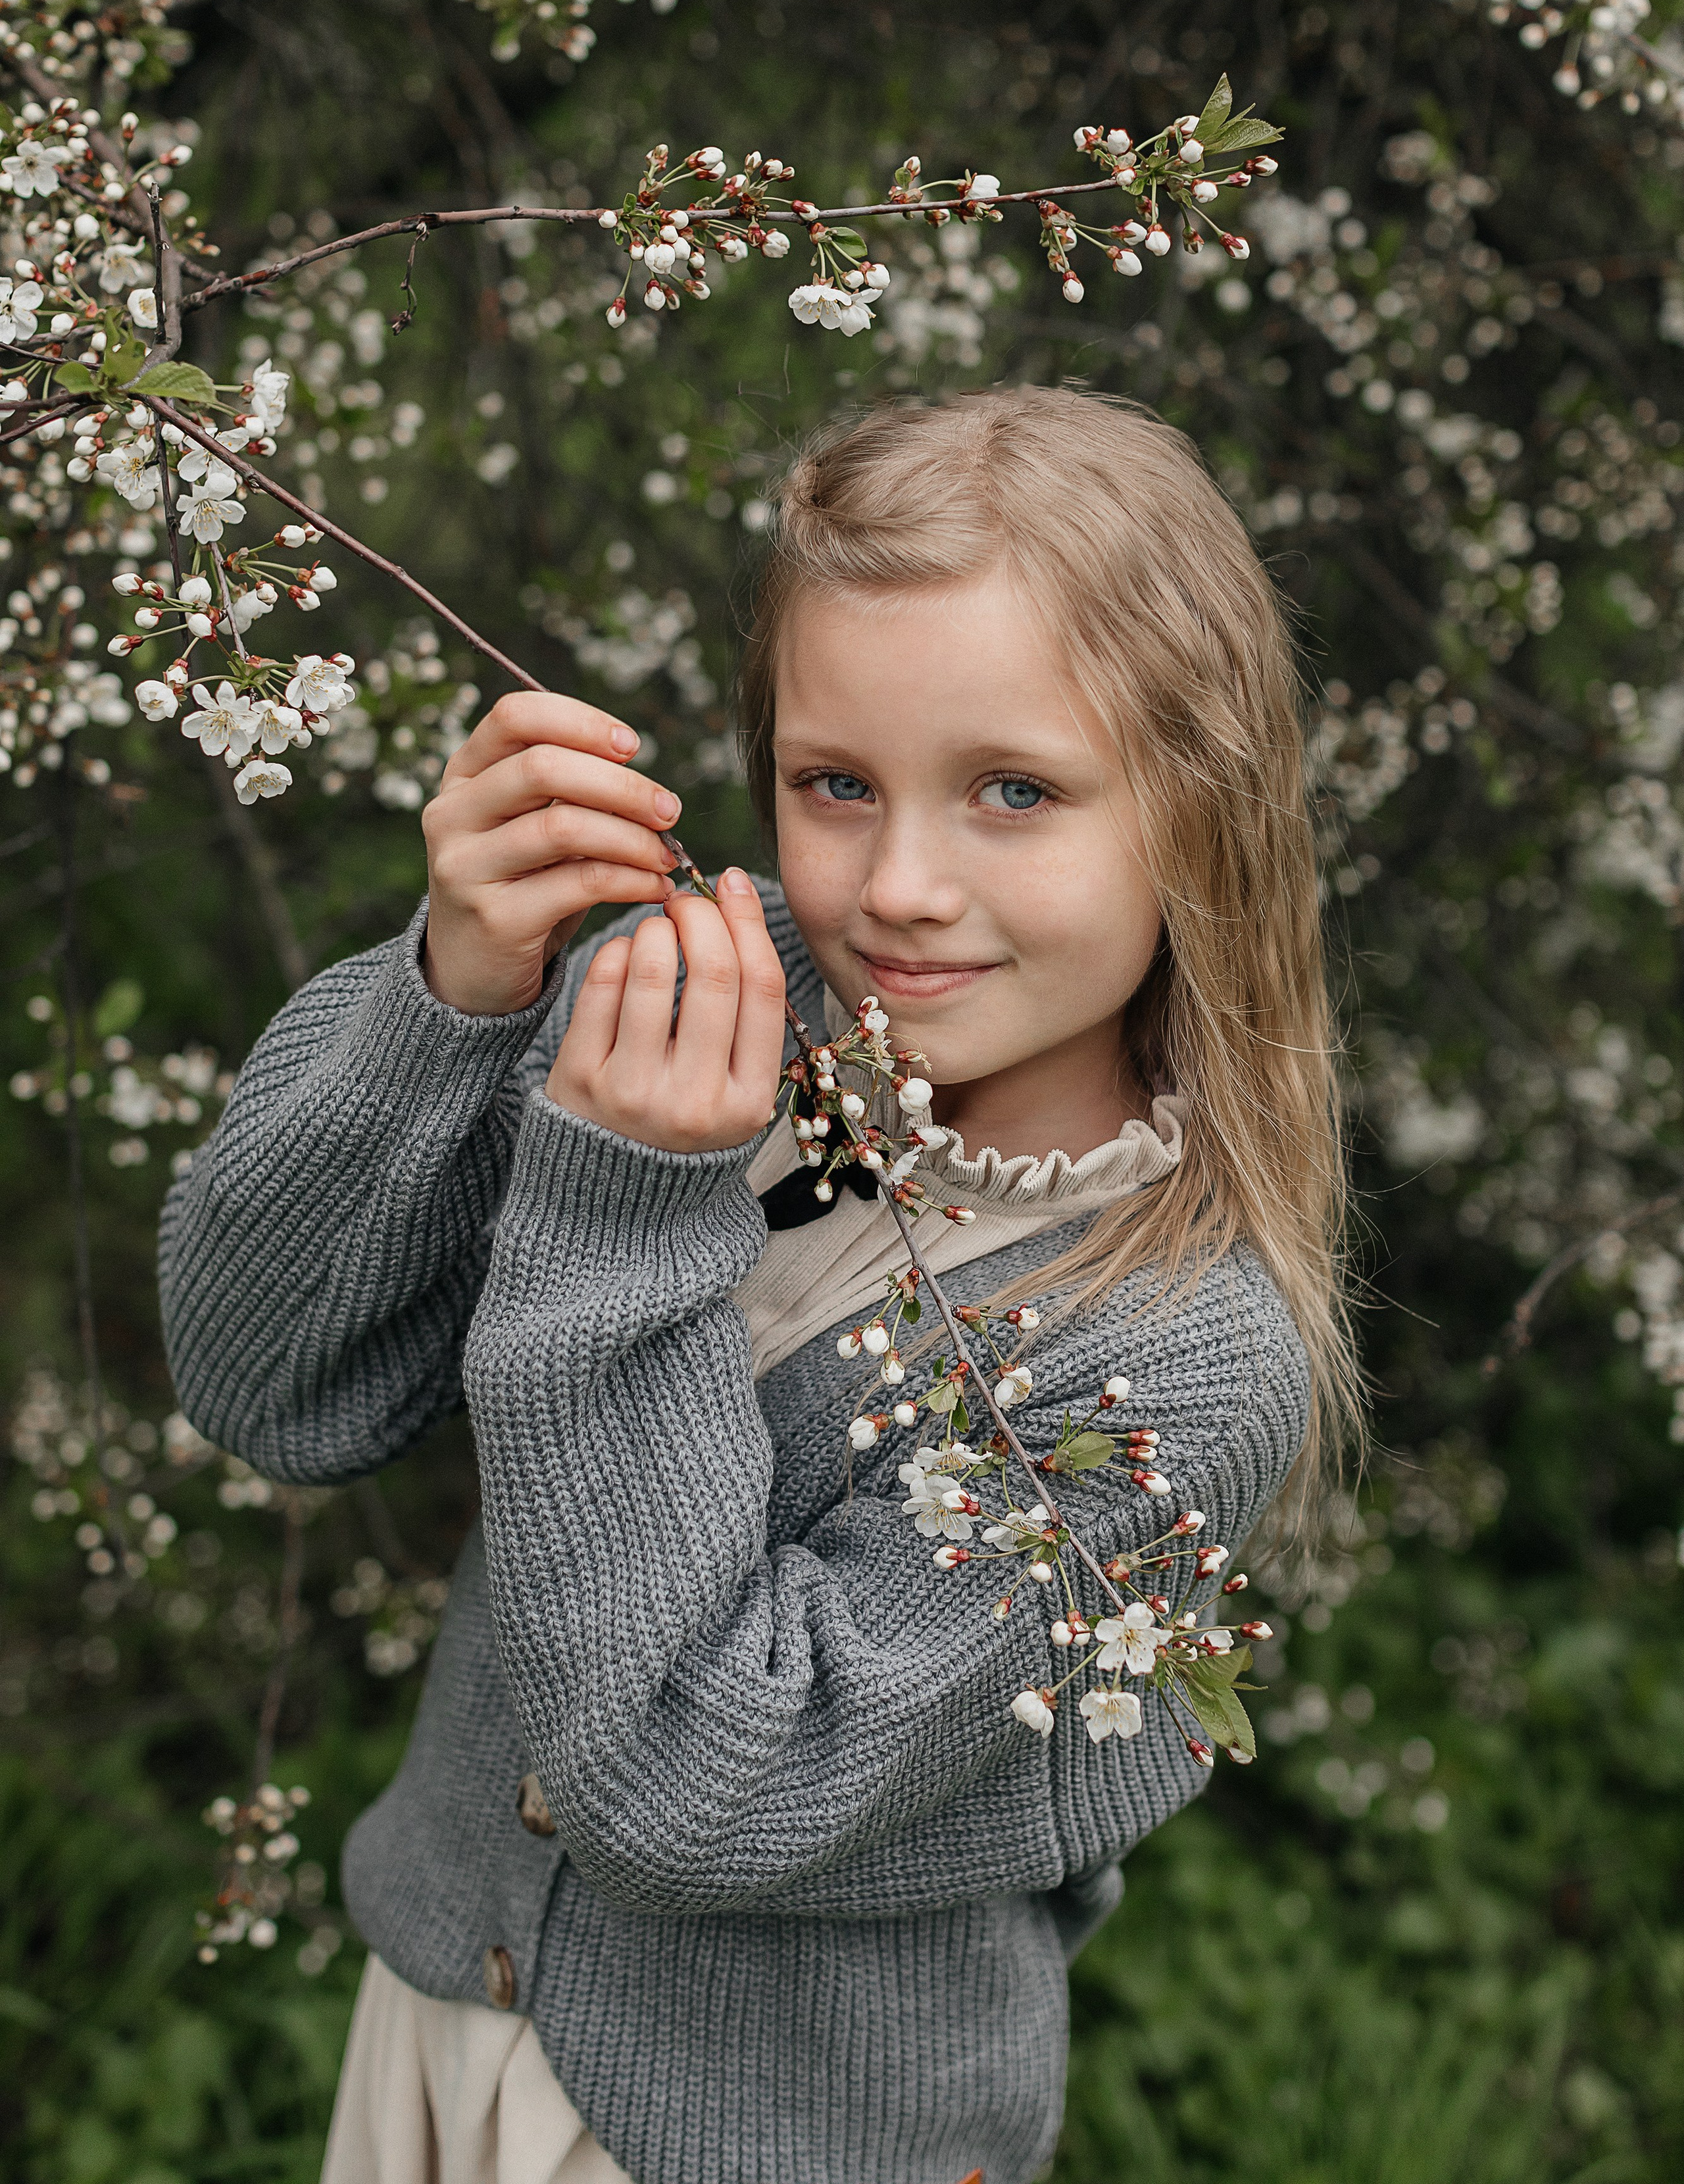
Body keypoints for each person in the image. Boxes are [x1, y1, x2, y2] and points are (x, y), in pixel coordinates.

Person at [160, 386, 1356, 2184]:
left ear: (1204, 808)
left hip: (777, 2132)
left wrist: (626, 1209)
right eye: (834, 784)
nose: (900, 886)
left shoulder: (1174, 1350)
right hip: (452, 2033)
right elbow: (271, 1382)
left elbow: (696, 1788)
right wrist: (457, 993)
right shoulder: (707, 1010)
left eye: (1014, 791)